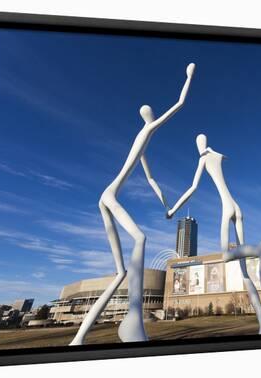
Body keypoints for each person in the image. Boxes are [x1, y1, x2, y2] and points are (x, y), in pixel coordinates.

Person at [70, 63, 196, 345]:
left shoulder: (141, 141)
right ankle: (134, 317)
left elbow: (150, 177)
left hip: (104, 197)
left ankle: (78, 339)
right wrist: (188, 77)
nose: (152, 116)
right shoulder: (148, 129)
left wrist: (165, 204)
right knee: (140, 238)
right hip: (110, 197)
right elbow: (179, 104)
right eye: (150, 113)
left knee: (120, 273)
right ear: (148, 117)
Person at [166, 134, 261, 334]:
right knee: (245, 274)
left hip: (227, 207)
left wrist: (173, 210)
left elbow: (192, 188)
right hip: (237, 207)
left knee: (226, 255)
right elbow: (225, 156)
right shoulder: (215, 153)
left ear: (199, 145)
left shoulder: (203, 158)